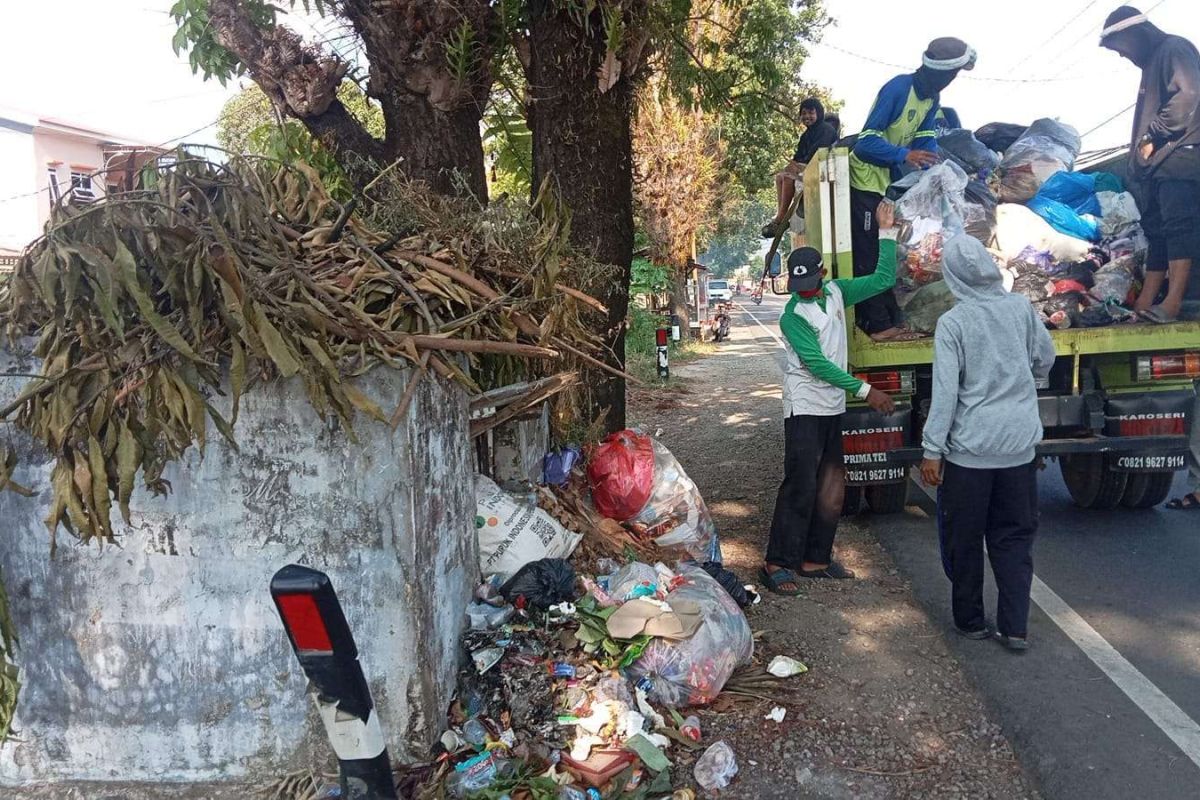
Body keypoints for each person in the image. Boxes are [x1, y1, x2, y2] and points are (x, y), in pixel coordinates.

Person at [919, 234, 1057, 652]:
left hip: (970, 455)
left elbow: (945, 394)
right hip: (1018, 450)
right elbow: (1045, 357)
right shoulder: (1020, 309)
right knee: (1014, 539)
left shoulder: (954, 323)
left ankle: (971, 621)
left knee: (965, 540)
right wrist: (1028, 382)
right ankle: (1015, 628)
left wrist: (931, 450)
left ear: (953, 277)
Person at [761, 201, 899, 595]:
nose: (805, 293)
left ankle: (815, 558)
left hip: (832, 406)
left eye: (810, 284)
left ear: (822, 274)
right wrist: (866, 389)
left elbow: (882, 279)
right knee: (800, 484)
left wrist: (886, 232)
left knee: (831, 485)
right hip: (804, 407)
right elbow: (818, 365)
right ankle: (777, 562)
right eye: (799, 288)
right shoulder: (793, 316)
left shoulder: (837, 292)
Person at [849, 37, 976, 341]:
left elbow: (925, 141)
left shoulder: (932, 100)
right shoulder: (898, 88)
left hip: (888, 185)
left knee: (893, 253)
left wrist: (934, 169)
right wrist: (903, 155)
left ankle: (893, 318)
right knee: (870, 255)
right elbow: (865, 143)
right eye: (953, 74)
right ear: (940, 72)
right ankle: (878, 326)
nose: (952, 80)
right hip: (864, 181)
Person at [1100, 6, 1200, 322]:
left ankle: (1172, 302)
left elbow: (1189, 94)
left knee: (1178, 226)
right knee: (1157, 230)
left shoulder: (1174, 48)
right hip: (1160, 163)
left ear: (1136, 33)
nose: (1122, 56)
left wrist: (1149, 139)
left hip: (1180, 156)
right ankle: (1145, 301)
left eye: (1121, 48)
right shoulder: (1154, 61)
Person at [762, 98, 839, 238]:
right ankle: (781, 214)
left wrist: (797, 167)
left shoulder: (826, 130)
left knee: (787, 177)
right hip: (806, 167)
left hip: (821, 169)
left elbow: (817, 154)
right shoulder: (806, 135)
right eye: (803, 113)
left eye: (810, 113)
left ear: (819, 113)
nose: (806, 117)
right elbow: (798, 156)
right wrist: (792, 165)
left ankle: (781, 218)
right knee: (780, 176)